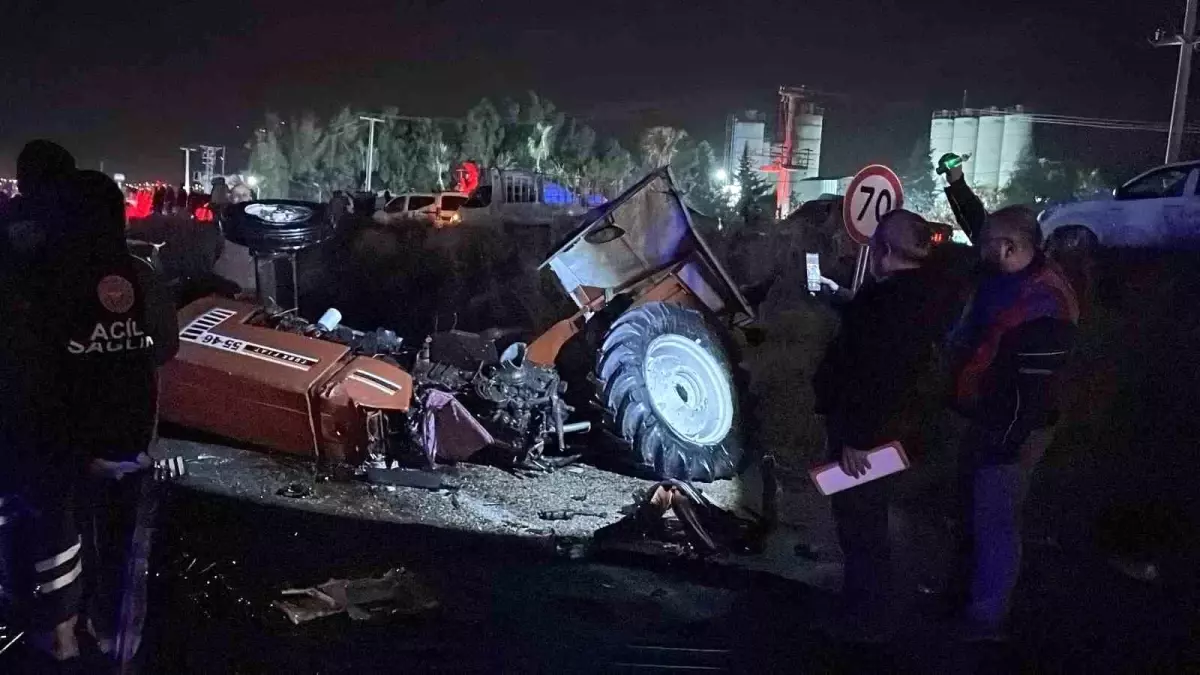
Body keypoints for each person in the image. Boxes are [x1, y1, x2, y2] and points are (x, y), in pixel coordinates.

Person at [33, 169, 179, 669]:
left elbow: (32, 364)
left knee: (63, 540)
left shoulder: (47, 278)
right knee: (123, 548)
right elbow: (166, 348)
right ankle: (117, 642)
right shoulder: (145, 276)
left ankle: (64, 641)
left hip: (69, 444)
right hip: (133, 441)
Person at [812, 209, 966, 641]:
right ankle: (865, 605)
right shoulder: (923, 294)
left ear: (883, 250)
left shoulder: (891, 303)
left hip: (866, 435)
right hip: (892, 429)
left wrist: (858, 439)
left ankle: (865, 616)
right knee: (866, 518)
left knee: (860, 522)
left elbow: (877, 373)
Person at [944, 204, 1079, 640]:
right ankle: (962, 597)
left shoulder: (1045, 305)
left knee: (995, 519)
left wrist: (1007, 442)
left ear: (1010, 246)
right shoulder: (1010, 274)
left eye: (987, 243)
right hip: (988, 413)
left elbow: (1033, 395)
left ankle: (986, 618)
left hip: (1012, 427)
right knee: (973, 511)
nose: (979, 249)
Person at [0, 140, 86, 670]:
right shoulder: (75, 243)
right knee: (55, 516)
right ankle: (60, 634)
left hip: (10, 399)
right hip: (53, 403)